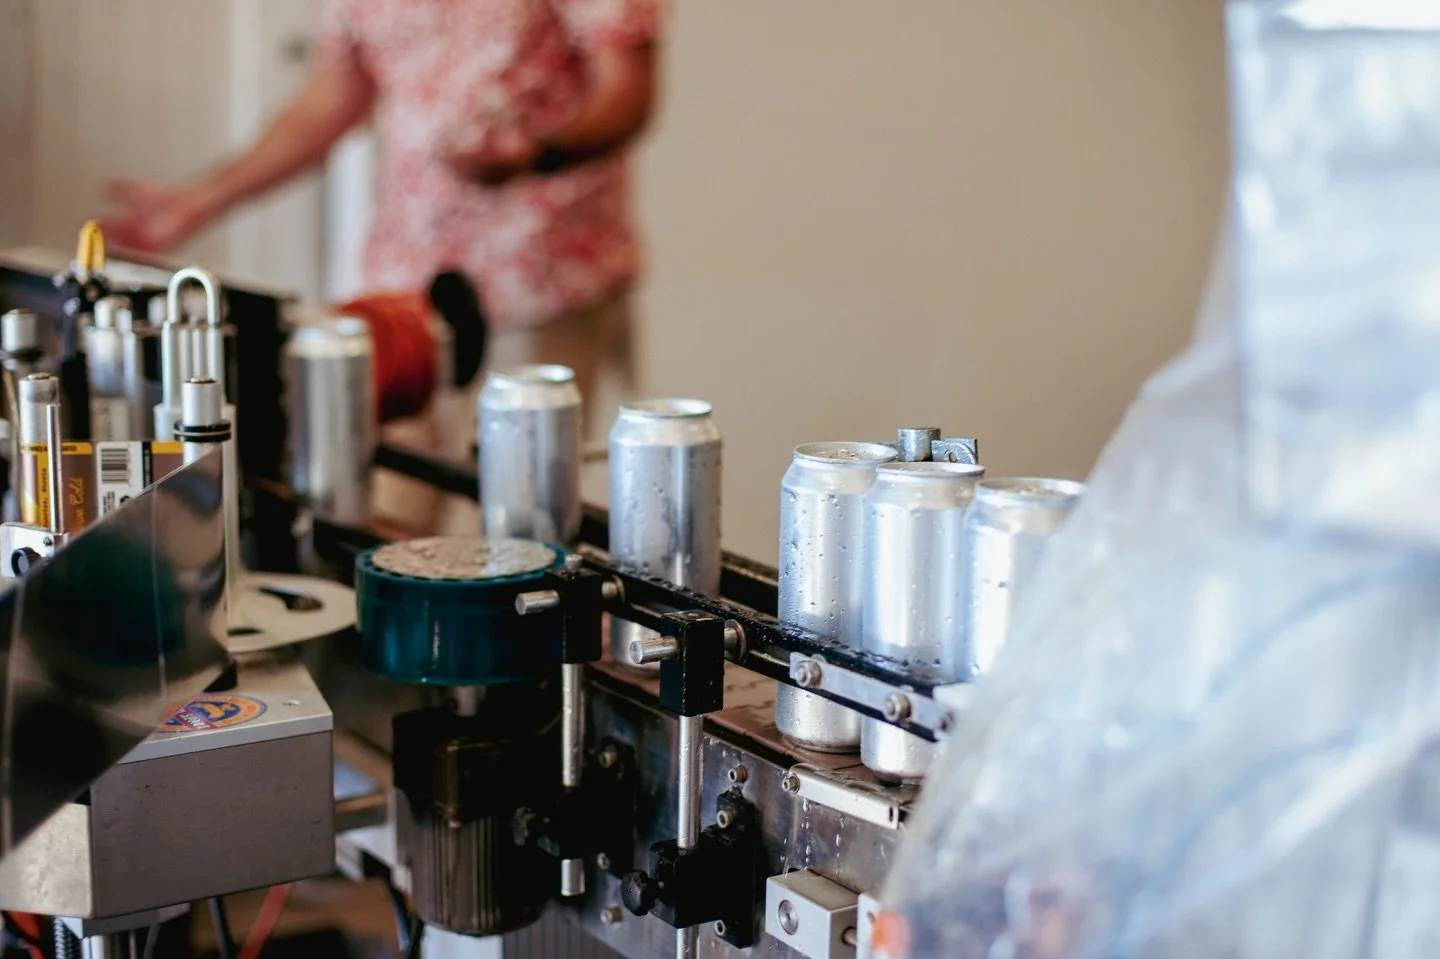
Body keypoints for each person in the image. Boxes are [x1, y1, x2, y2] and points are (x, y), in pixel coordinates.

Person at [102, 0, 662, 431]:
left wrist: (535, 152)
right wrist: (198, 201)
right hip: (405, 281)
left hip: (542, 272)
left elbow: (626, 89)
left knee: (519, 524)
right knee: (388, 515)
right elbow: (332, 96)